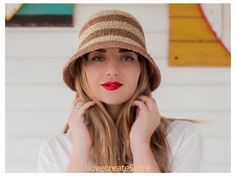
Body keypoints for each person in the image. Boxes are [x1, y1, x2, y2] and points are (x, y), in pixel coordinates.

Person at [37, 9, 203, 172]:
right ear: (82, 71)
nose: (112, 70)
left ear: (141, 70)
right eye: (98, 58)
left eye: (126, 57)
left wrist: (140, 143)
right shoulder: (54, 151)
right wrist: (81, 149)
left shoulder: (181, 137)